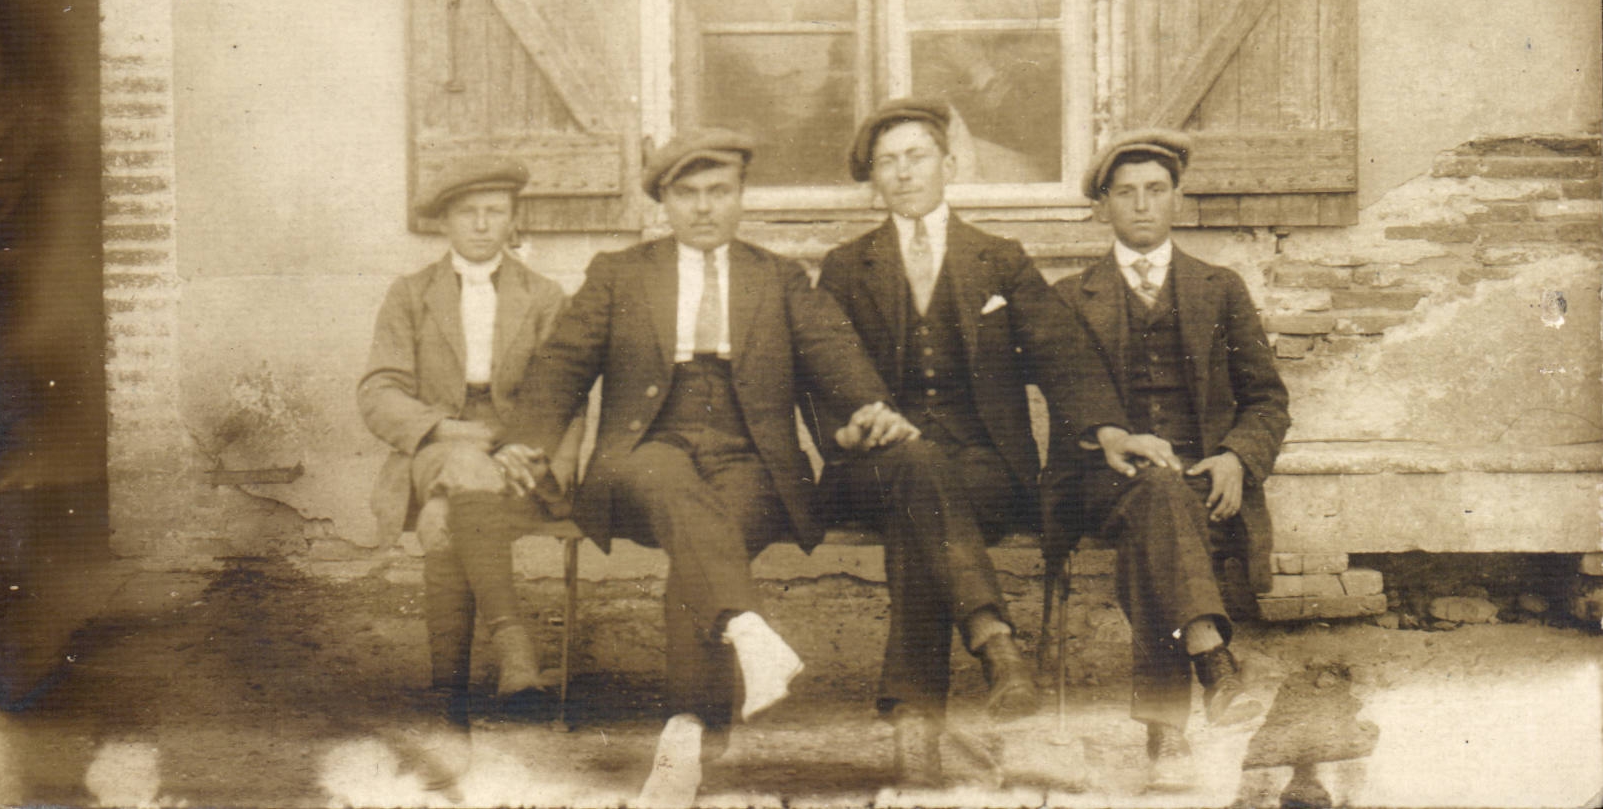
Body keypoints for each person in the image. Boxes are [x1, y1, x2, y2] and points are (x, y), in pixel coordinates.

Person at [496, 129, 921, 808]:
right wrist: (527, 440)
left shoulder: (778, 277)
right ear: (664, 201)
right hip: (643, 451)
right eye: (686, 194)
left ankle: (685, 736)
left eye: (718, 191)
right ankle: (745, 631)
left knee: (705, 536)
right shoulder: (619, 271)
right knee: (671, 486)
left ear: (740, 197)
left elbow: (832, 351)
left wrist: (868, 404)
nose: (702, 207)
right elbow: (563, 363)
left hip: (748, 456)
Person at [815, 98, 1136, 786]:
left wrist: (1104, 427)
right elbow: (819, 367)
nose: (901, 174)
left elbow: (1062, 355)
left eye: (916, 157)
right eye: (886, 163)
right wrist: (843, 424)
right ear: (874, 178)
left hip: (982, 467)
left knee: (921, 507)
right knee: (912, 472)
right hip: (868, 465)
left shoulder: (999, 259)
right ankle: (993, 641)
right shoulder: (845, 266)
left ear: (949, 164)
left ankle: (913, 729)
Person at [1045, 129, 1290, 790]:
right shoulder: (1070, 297)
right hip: (1104, 482)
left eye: (1155, 190)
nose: (1142, 205)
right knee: (1156, 495)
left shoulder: (1219, 288)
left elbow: (1267, 399)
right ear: (1103, 208)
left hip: (1203, 479)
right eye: (1124, 193)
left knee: (1162, 518)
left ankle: (1165, 735)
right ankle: (1212, 662)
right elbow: (1065, 402)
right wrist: (1106, 433)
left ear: (1177, 197)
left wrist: (1238, 457)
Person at [358, 157, 577, 790]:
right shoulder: (410, 294)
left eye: (495, 212)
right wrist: (458, 432)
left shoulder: (543, 297)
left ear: (514, 220)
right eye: (467, 212)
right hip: (437, 440)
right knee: (459, 467)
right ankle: (514, 648)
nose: (482, 224)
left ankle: (449, 709)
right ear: (446, 223)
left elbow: (558, 393)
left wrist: (518, 444)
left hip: (518, 452)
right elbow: (379, 391)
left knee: (443, 519)